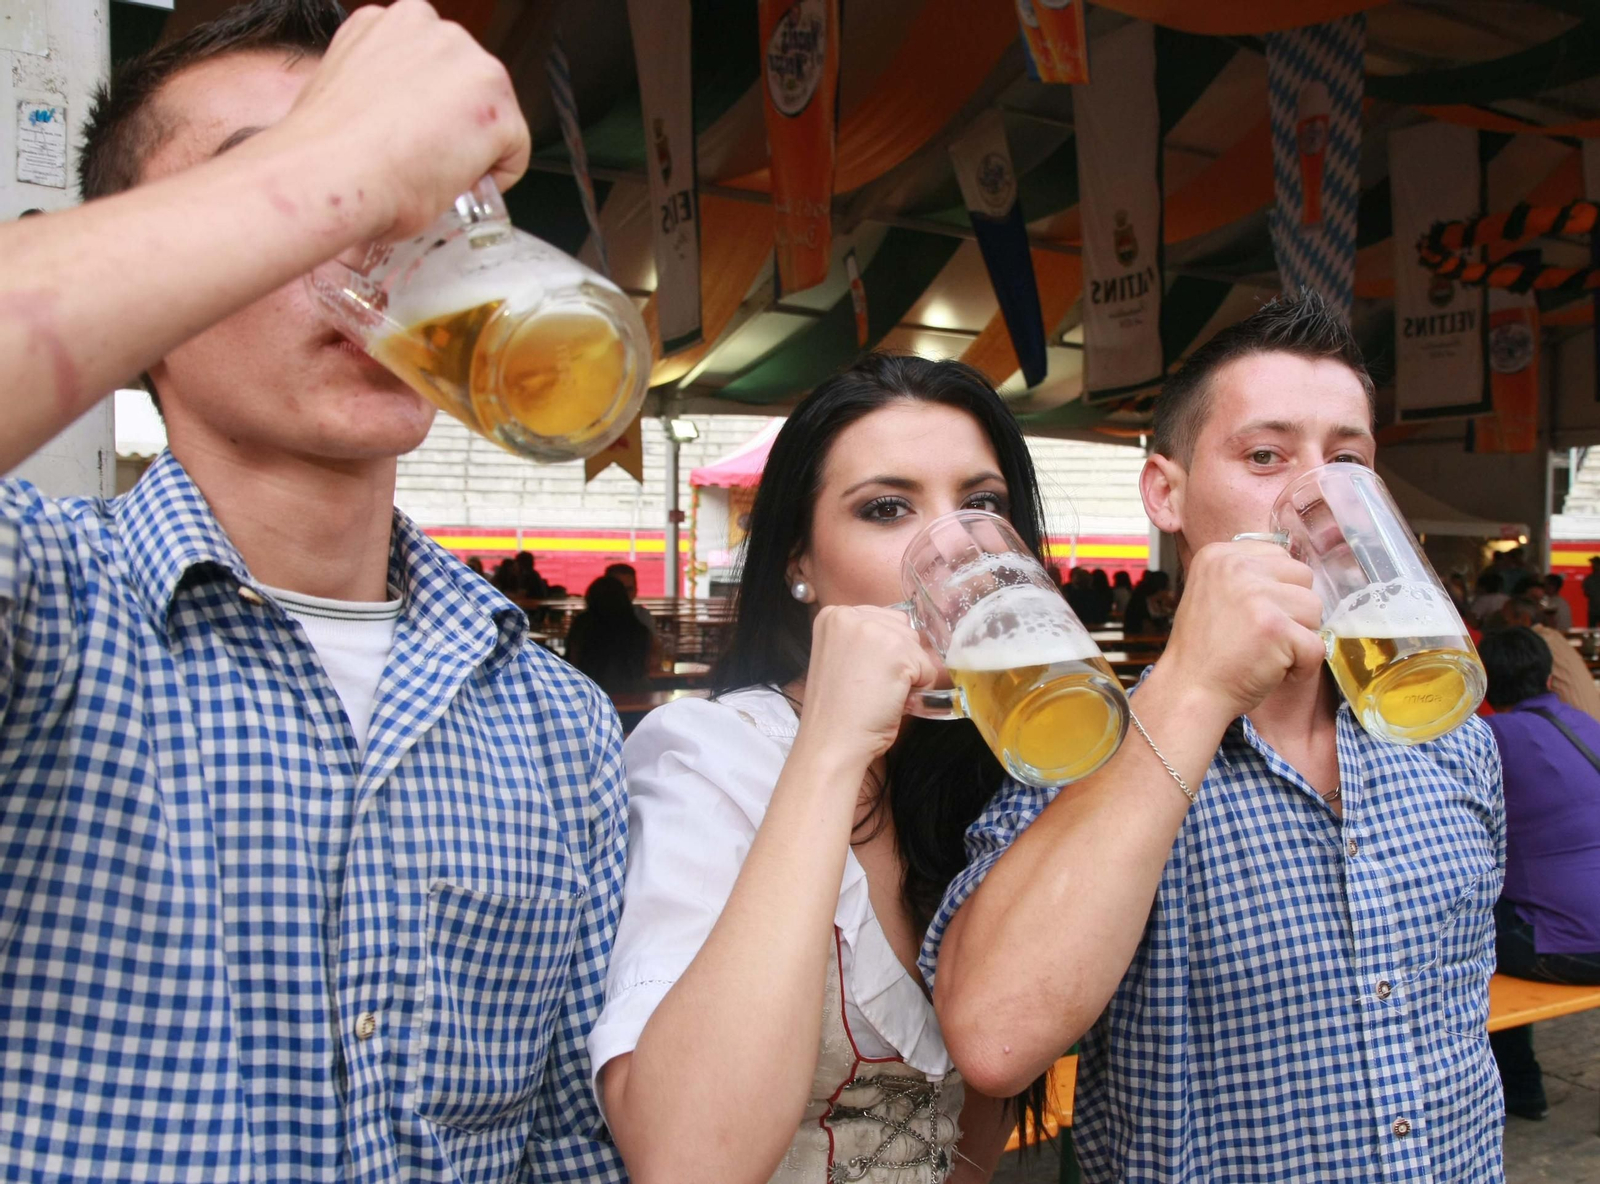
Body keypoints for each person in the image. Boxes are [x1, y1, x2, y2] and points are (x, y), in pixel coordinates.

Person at [0, 3, 628, 1180]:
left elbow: (563, 1151)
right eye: (280, 188)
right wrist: (333, 161)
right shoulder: (42, 601)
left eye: (405, 203)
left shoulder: (554, 720)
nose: (373, 238)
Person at [922, 292, 1505, 1182]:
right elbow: (997, 1040)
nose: (1319, 500)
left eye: (1347, 460)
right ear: (1167, 491)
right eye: (1265, 455)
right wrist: (1196, 684)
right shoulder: (1085, 744)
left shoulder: (1454, 742)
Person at [590, 355, 1049, 1184]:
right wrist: (833, 744)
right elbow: (684, 1162)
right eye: (886, 507)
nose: (957, 554)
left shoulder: (994, 769)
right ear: (799, 560)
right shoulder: (709, 754)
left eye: (982, 506)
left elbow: (985, 1112)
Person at [1478, 627, 1600, 1121]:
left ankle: (1521, 1086)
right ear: (1550, 676)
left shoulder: (1487, 739)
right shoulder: (1589, 725)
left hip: (1569, 951)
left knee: (1473, 924)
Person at [1495, 597, 1600, 722]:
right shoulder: (1552, 636)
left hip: (1574, 732)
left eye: (1505, 621)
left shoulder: (1530, 647)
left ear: (1524, 619)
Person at [567, 575, 652, 697]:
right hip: (633, 692)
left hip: (589, 691)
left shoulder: (583, 624)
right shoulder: (638, 628)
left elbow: (573, 660)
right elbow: (646, 665)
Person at [605, 560, 662, 637]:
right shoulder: (590, 620)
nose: (624, 594)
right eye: (618, 589)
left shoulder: (642, 616)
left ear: (636, 591)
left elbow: (653, 645)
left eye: (628, 589)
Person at [1122, 568, 1172, 634]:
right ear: (1160, 588)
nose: (1168, 590)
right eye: (1167, 587)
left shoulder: (1158, 602)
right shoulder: (1139, 602)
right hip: (1136, 640)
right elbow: (1146, 627)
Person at [1584, 557, 1600, 628]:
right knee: (1591, 629)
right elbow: (1586, 592)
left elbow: (1586, 592)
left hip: (1593, 609)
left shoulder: (1589, 579)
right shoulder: (1589, 579)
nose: (1593, 566)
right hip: (1593, 610)